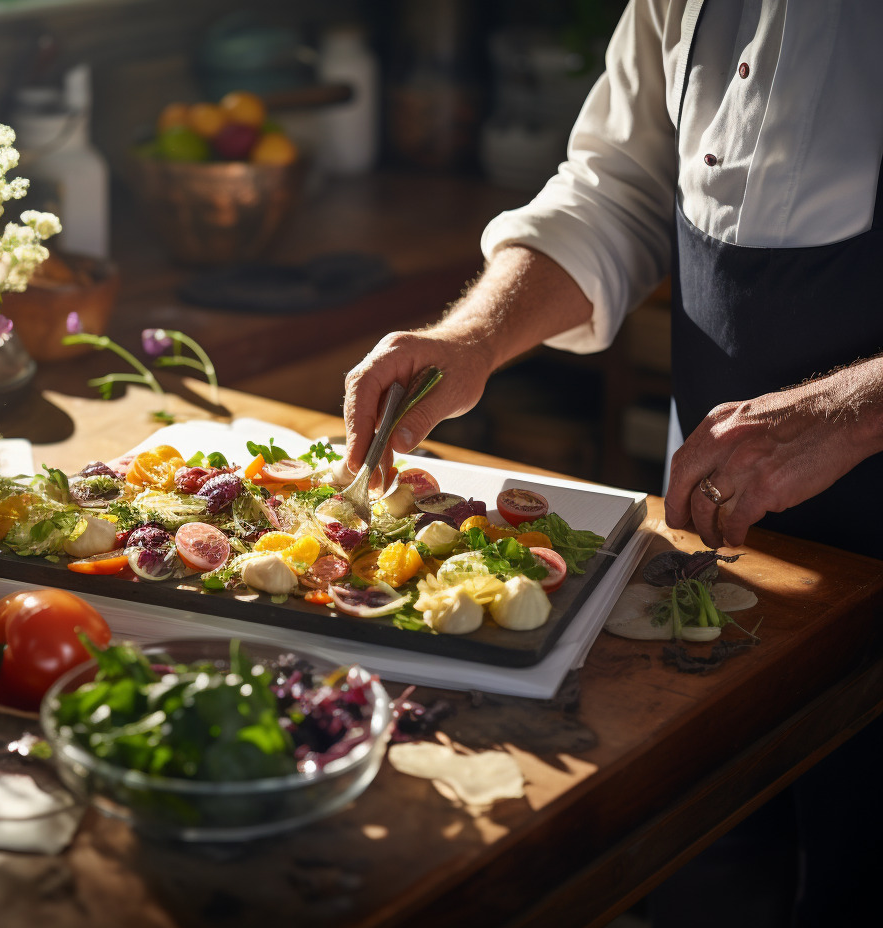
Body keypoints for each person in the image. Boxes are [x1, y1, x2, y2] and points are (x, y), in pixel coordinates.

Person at [342, 1, 882, 924]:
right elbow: (619, 186)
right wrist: (475, 335)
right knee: (696, 866)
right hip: (716, 531)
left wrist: (849, 409)